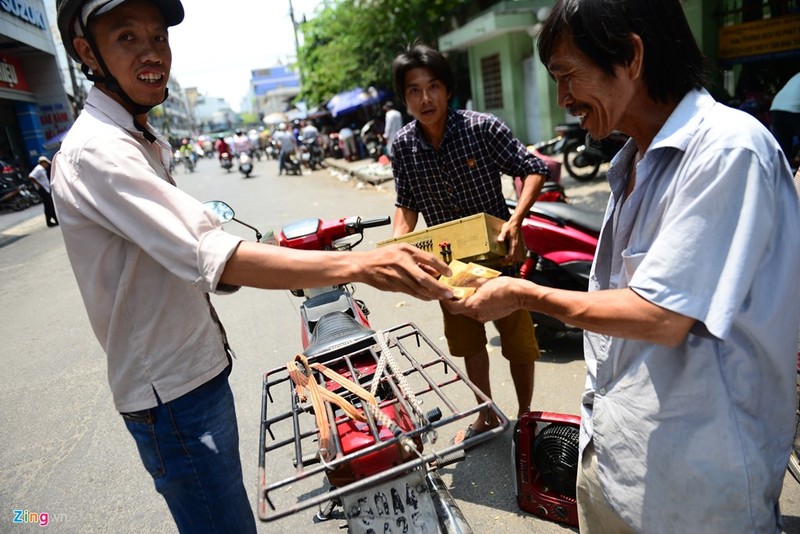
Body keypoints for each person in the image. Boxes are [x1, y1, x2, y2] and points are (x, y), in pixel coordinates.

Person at [51, 1, 453, 532]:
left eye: (158, 37)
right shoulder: (99, 151)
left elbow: (187, 250)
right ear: (87, 52)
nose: (152, 53)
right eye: (127, 38)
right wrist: (364, 263)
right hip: (172, 395)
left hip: (195, 374)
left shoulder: (138, 138)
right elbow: (213, 255)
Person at [445, 1, 800, 532]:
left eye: (568, 77)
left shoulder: (728, 151)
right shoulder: (631, 160)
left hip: (699, 491)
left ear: (631, 56)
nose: (563, 99)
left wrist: (525, 295)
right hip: (616, 463)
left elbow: (658, 315)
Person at [389, 43, 549, 444]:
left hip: (501, 259)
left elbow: (532, 169)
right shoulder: (403, 147)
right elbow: (405, 203)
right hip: (448, 267)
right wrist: (398, 244)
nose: (425, 98)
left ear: (447, 89)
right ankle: (488, 413)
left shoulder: (483, 128)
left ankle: (526, 417)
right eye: (414, 90)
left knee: (518, 343)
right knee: (469, 343)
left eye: (433, 86)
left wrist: (516, 220)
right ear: (404, 97)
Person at [770, 72, 800, 169]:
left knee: (782, 153)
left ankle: (785, 178)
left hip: (777, 108)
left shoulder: (797, 75)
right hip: (794, 110)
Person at [27, 155, 58, 227]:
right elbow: (31, 176)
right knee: (50, 205)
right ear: (43, 162)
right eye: (46, 163)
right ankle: (56, 220)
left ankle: (49, 222)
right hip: (43, 189)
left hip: (46, 188)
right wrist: (39, 184)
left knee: (47, 206)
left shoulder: (41, 169)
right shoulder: (39, 169)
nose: (47, 165)